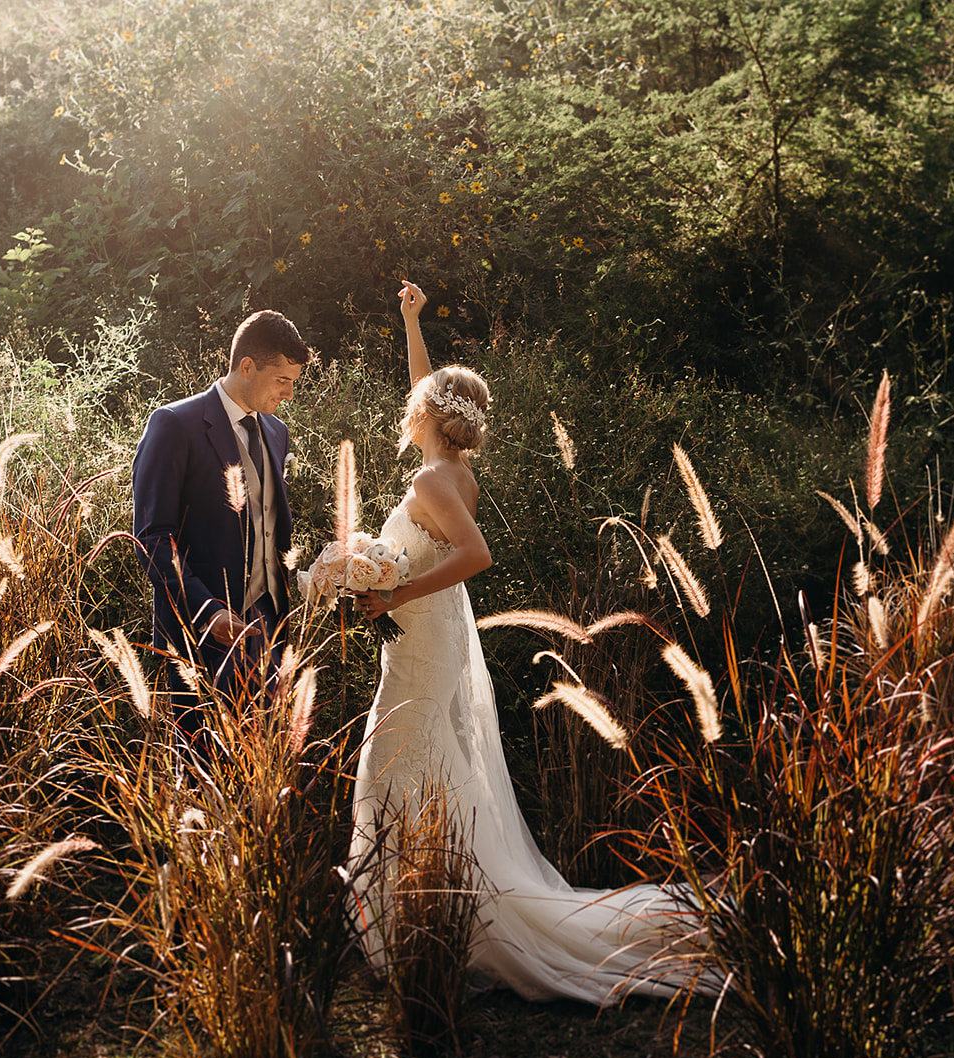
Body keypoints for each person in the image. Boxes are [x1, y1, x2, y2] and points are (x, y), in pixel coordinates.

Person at [349, 282, 709, 1004]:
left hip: (423, 637)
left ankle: (425, 925)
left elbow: (476, 555)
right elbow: (427, 388)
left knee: (395, 763)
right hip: (429, 638)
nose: (410, 399)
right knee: (421, 767)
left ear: (429, 416)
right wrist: (410, 321)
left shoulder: (431, 479)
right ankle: (425, 917)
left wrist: (390, 595)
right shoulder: (449, 468)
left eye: (420, 397)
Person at [132, 309, 312, 744]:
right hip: (202, 637)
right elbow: (153, 537)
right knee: (202, 767)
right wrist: (206, 610)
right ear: (246, 366)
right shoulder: (175, 424)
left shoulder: (276, 431)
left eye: (294, 381)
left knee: (261, 763)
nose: (288, 393)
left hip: (268, 630)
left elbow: (266, 526)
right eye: (281, 380)